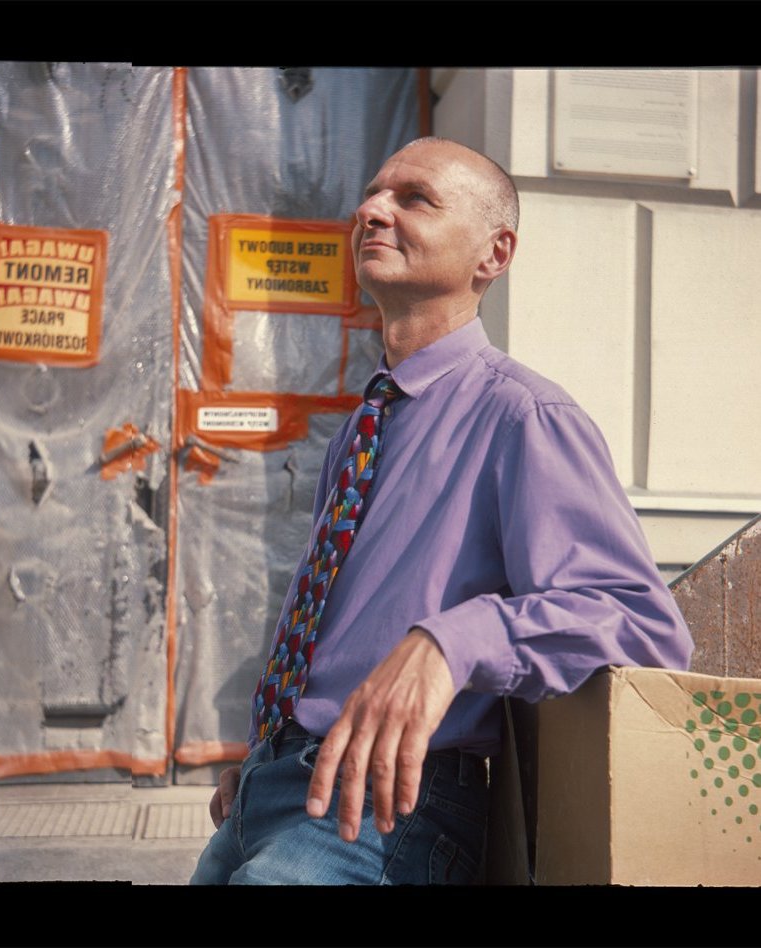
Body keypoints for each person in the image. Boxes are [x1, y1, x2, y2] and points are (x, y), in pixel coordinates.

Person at [189, 137, 692, 885]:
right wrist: (269, 744)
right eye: (371, 193)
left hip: (386, 808)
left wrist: (453, 639)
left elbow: (642, 624)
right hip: (265, 789)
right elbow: (336, 619)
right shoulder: (364, 424)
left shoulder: (525, 417)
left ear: (494, 254)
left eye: (414, 199)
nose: (370, 211)